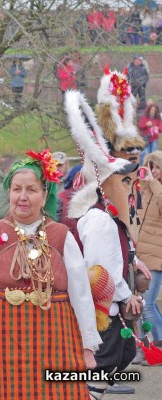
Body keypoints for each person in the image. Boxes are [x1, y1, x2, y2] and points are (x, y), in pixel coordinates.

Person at [0, 149, 101, 399]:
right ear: (8, 193)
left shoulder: (61, 236)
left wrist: (88, 346)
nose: (23, 197)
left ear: (44, 195)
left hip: (56, 339)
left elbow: (81, 296)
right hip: (1, 341)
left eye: (31, 190)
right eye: (16, 189)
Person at [65, 86, 150, 397]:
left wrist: (133, 259)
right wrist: (126, 294)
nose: (131, 186)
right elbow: (101, 269)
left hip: (110, 301)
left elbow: (120, 249)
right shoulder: (99, 219)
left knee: (122, 353)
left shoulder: (111, 216)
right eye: (124, 181)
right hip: (103, 305)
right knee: (105, 360)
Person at [137, 151, 162, 343]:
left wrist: (154, 183)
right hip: (139, 255)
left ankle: (159, 345)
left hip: (156, 254)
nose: (152, 171)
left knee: (147, 305)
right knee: (142, 304)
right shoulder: (143, 190)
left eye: (157, 167)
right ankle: (146, 346)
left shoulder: (157, 190)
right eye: (150, 166)